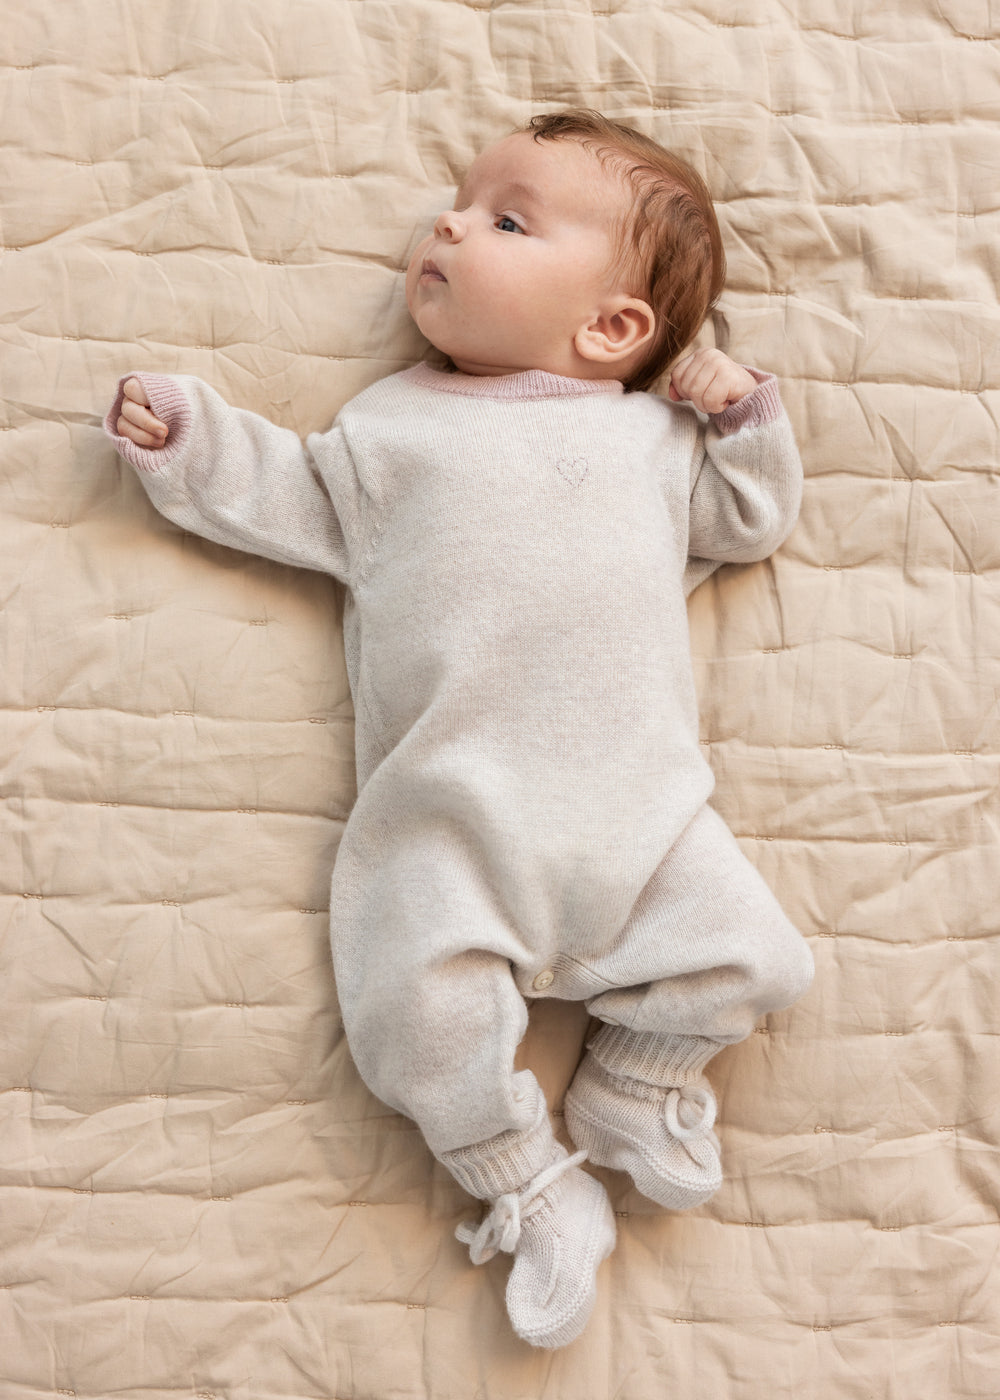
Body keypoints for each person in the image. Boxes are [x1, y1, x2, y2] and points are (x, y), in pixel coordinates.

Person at [104, 109, 814, 1350]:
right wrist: (191, 436)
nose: (448, 221)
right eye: (463, 199)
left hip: (638, 809)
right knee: (411, 1009)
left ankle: (632, 1086)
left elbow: (746, 521)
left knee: (755, 956)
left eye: (506, 219)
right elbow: (287, 493)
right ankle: (527, 1181)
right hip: (449, 811)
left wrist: (744, 411)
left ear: (611, 329)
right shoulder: (391, 431)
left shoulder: (651, 440)